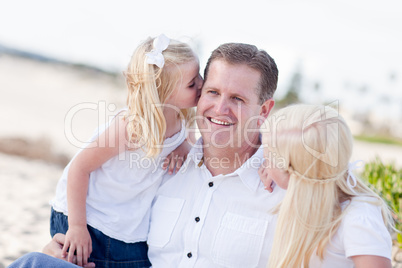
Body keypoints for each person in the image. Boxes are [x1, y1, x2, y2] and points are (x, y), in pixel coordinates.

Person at [9, 42, 285, 268]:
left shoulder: (280, 184)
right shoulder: (166, 157)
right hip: (100, 240)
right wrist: (62, 247)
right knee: (36, 263)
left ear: (264, 111)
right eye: (211, 91)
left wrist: (275, 151)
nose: (219, 107)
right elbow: (82, 170)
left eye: (237, 99)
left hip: (123, 249)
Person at [49, 34, 203, 267]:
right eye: (192, 83)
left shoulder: (181, 118)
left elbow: (189, 144)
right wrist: (77, 227)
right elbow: (79, 168)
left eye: (199, 75)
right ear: (163, 93)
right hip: (88, 217)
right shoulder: (131, 127)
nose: (202, 84)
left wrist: (184, 145)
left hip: (127, 223)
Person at [259, 104, 394, 268]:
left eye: (266, 155)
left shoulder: (358, 218)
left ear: (288, 169)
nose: (263, 163)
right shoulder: (305, 194)